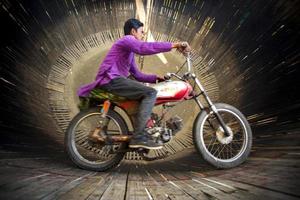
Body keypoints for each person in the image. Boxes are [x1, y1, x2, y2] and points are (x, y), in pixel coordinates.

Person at [77, 18, 191, 149]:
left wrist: (158, 79)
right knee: (150, 93)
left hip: (116, 81)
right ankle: (139, 136)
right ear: (133, 31)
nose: (143, 35)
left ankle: (146, 130)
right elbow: (145, 48)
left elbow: (137, 74)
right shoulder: (127, 40)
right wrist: (174, 45)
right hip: (112, 80)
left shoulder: (129, 52)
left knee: (148, 91)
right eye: (141, 32)